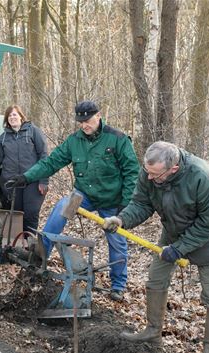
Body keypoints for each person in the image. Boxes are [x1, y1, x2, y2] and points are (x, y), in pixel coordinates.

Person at [102, 141, 209, 353]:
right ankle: (152, 332)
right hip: (173, 232)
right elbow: (141, 203)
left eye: (155, 175)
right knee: (155, 279)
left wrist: (179, 248)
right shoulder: (150, 171)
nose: (149, 178)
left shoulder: (203, 177)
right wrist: (121, 220)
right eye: (147, 173)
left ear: (173, 169)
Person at [8, 100, 140, 301]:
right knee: (61, 208)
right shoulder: (74, 141)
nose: (84, 125)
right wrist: (27, 177)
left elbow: (132, 173)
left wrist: (125, 205)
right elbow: (52, 162)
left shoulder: (118, 139)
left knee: (117, 240)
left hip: (112, 199)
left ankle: (118, 286)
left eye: (87, 121)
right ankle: (40, 256)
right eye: (80, 122)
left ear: (99, 116)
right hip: (83, 195)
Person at [0, 105, 48, 232]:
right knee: (15, 214)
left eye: (15, 114)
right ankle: (17, 244)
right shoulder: (4, 137)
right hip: (12, 181)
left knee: (31, 213)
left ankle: (29, 243)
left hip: (32, 180)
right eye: (9, 116)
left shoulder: (33, 131)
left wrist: (43, 181)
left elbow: (43, 155)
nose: (12, 117)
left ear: (21, 116)